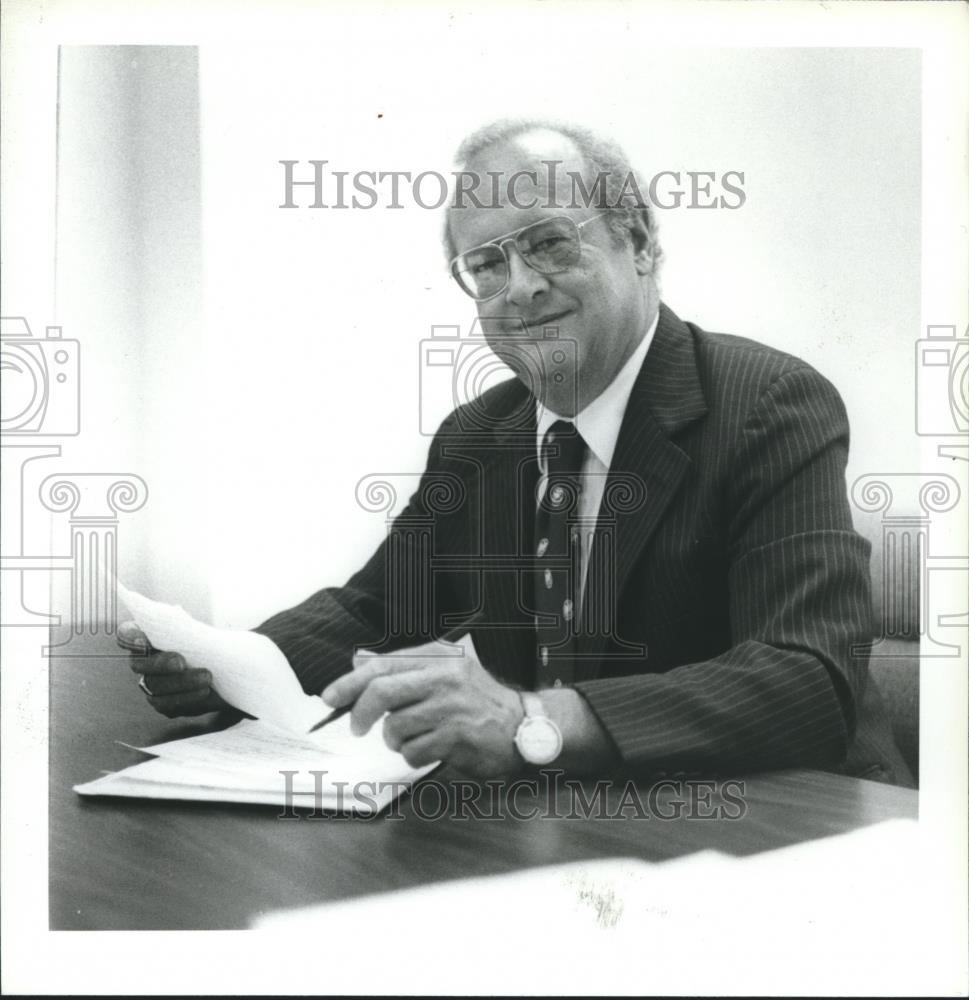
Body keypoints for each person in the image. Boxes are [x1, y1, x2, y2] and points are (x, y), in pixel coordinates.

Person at [120, 119, 912, 787]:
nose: (519, 287)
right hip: (569, 828)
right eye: (487, 264)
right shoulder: (478, 435)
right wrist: (228, 667)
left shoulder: (767, 402)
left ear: (636, 240)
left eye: (547, 245)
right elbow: (377, 609)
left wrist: (528, 722)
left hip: (794, 828)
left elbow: (807, 677)